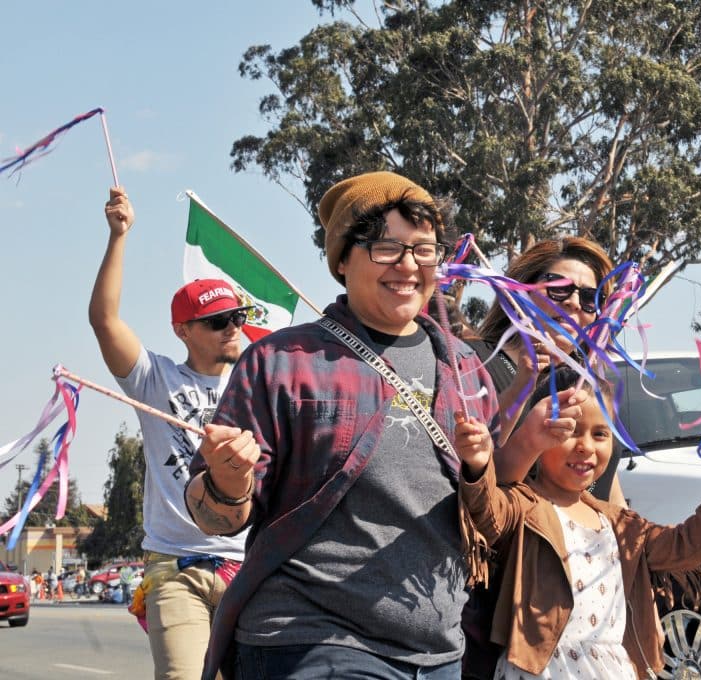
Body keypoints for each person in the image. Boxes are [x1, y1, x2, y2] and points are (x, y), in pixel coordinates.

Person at [186, 170, 580, 680]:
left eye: (424, 249)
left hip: (437, 652)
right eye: (386, 248)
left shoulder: (464, 369)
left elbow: (490, 500)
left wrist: (513, 445)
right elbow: (213, 516)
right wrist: (228, 482)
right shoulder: (282, 361)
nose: (409, 265)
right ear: (343, 259)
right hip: (310, 642)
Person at [453, 365, 701, 679]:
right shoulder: (525, 507)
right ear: (542, 435)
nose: (586, 447)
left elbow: (690, 544)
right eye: (571, 431)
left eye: (600, 434)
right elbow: (486, 513)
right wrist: (479, 464)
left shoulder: (620, 525)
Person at [90, 187, 250, 680]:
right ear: (183, 330)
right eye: (217, 321)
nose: (232, 327)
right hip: (175, 569)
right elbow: (104, 320)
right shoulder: (156, 380)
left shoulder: (258, 382)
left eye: (238, 317)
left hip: (251, 569)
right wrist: (119, 236)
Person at [470, 236, 627, 506]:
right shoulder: (473, 361)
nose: (575, 303)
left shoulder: (588, 383)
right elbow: (469, 469)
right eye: (559, 288)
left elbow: (609, 488)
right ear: (520, 291)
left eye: (591, 297)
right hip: (521, 542)